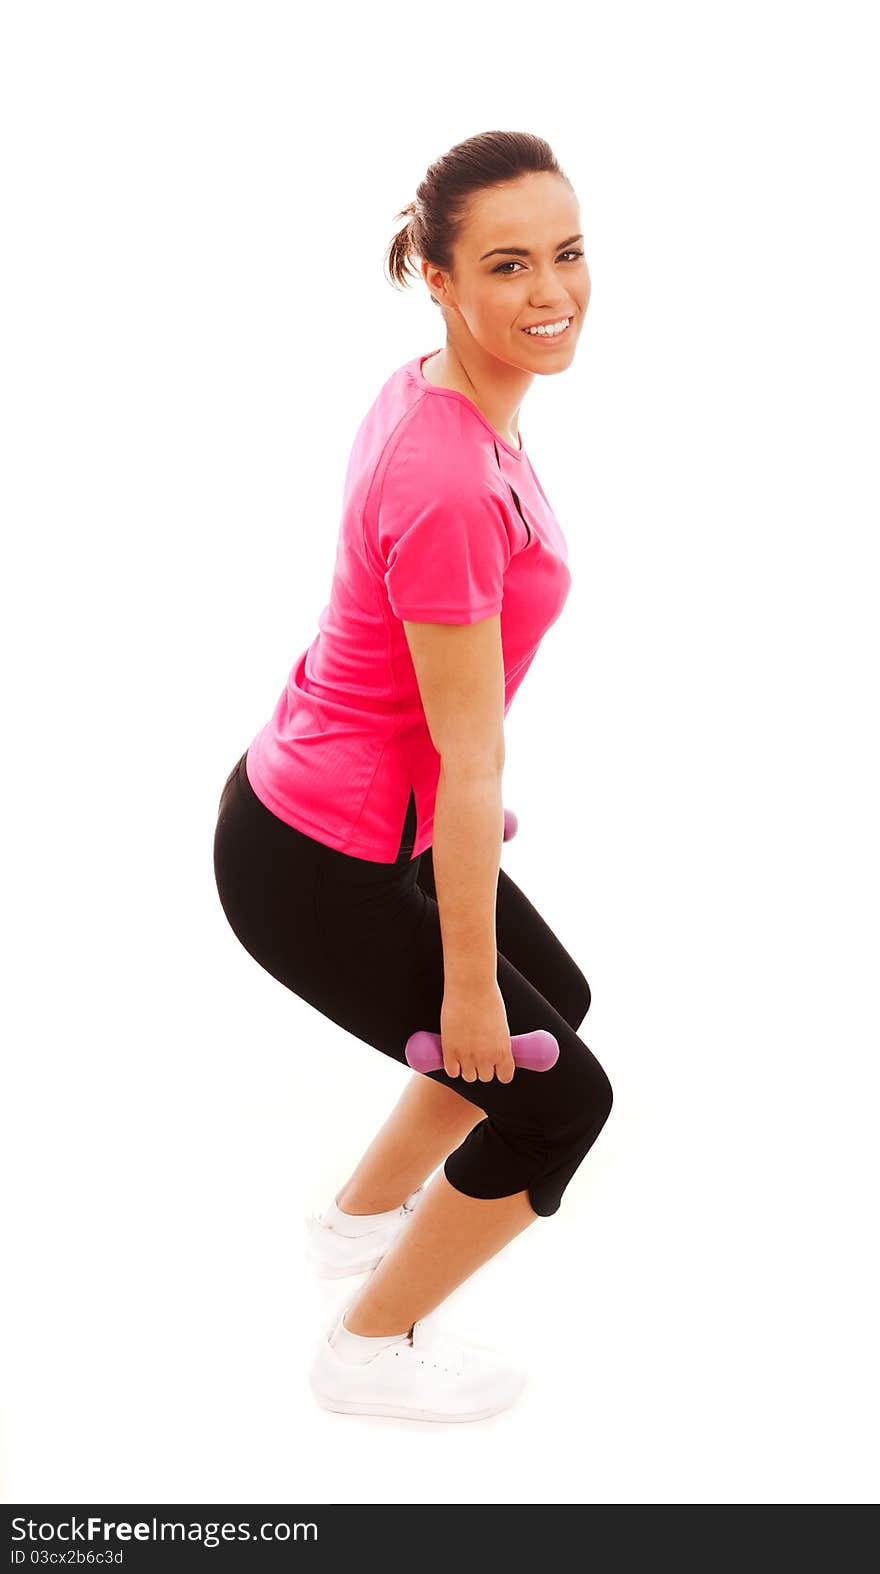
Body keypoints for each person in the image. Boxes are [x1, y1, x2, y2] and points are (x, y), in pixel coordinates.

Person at [213, 129, 613, 1423]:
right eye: (508, 264)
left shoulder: (449, 393)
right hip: (317, 860)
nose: (550, 291)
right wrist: (463, 988)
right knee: (560, 1102)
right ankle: (365, 1346)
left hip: (331, 807)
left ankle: (355, 1225)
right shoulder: (447, 475)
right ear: (437, 275)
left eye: (567, 252)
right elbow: (466, 750)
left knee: (562, 1002)